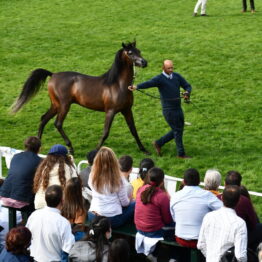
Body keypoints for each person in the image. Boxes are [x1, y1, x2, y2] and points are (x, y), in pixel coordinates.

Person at [128, 60, 192, 158]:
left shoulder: (177, 76)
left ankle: (158, 143)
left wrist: (187, 92)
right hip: (169, 110)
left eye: (172, 68)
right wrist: (137, 86)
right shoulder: (159, 79)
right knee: (177, 130)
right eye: (168, 68)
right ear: (163, 68)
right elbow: (149, 83)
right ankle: (181, 154)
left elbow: (187, 85)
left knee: (178, 129)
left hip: (178, 108)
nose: (171, 70)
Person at [170, 168, 222, 248]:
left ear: (183, 181)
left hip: (180, 237)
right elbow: (224, 210)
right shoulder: (207, 195)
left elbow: (174, 218)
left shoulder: (175, 196)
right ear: (199, 182)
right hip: (200, 240)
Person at [88, 147, 135, 229]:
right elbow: (125, 203)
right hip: (111, 220)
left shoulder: (92, 175)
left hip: (92, 216)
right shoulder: (118, 178)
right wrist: (130, 199)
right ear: (114, 161)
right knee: (136, 203)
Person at [197, 185, 247, 261]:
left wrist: (211, 257)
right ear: (239, 201)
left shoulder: (208, 216)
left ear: (221, 197)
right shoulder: (240, 224)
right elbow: (240, 256)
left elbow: (200, 244)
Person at [26, 185, 75, 262]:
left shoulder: (34, 215)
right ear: (62, 201)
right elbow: (68, 249)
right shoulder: (63, 223)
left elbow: (26, 239)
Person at [135, 167, 173, 260]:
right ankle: (173, 256)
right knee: (177, 228)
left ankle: (155, 253)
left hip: (139, 228)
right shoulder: (162, 196)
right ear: (162, 181)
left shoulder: (140, 189)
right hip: (153, 231)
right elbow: (167, 220)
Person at [218, 171, 262, 251]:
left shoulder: (216, 198)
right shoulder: (244, 201)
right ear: (239, 185)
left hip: (219, 236)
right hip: (237, 238)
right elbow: (253, 223)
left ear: (224, 184)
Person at [0, 136, 42, 212]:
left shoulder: (15, 157)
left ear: (25, 146)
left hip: (4, 195)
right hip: (20, 200)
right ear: (39, 148)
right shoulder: (40, 161)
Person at [33, 144, 77, 209]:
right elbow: (75, 185)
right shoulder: (68, 168)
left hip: (39, 204)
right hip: (58, 207)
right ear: (65, 156)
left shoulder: (42, 168)